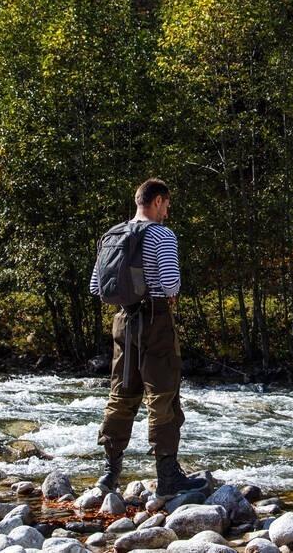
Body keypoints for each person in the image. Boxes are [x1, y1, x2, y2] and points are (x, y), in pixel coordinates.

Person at [88, 178, 206, 497]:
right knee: (163, 397)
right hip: (155, 321)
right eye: (166, 205)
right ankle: (168, 478)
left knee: (122, 395)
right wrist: (169, 293)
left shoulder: (112, 235)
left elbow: (96, 289)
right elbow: (170, 285)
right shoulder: (162, 235)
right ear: (156, 201)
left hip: (123, 322)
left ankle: (109, 474)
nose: (167, 212)